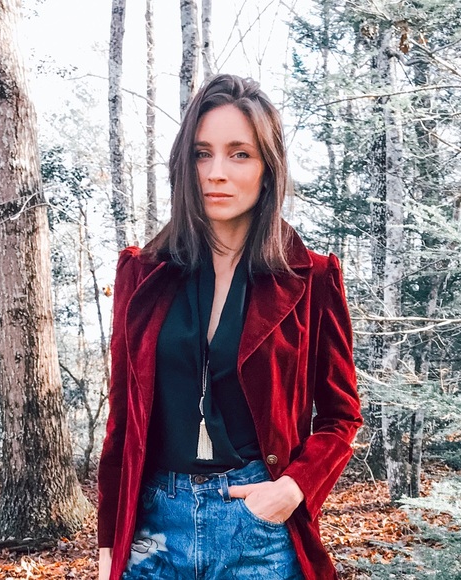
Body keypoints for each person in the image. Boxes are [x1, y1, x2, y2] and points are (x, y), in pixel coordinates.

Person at [98, 74, 363, 580]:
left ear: (268, 168)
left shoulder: (312, 278)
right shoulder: (142, 272)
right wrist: (110, 542)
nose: (216, 173)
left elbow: (340, 416)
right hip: (153, 529)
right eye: (202, 154)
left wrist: (291, 490)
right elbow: (123, 421)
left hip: (256, 529)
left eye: (240, 154)